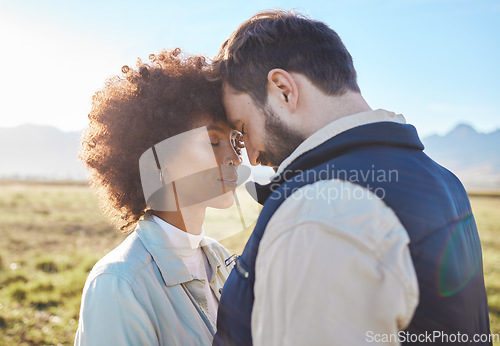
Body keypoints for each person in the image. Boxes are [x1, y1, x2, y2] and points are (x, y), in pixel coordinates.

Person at [211, 10, 491, 346]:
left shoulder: (317, 213)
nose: (252, 155)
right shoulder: (444, 181)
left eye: (243, 130)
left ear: (284, 90)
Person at [75, 48, 243, 345]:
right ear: (159, 159)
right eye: (213, 141)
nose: (234, 158)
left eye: (235, 141)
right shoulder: (119, 283)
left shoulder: (219, 257)